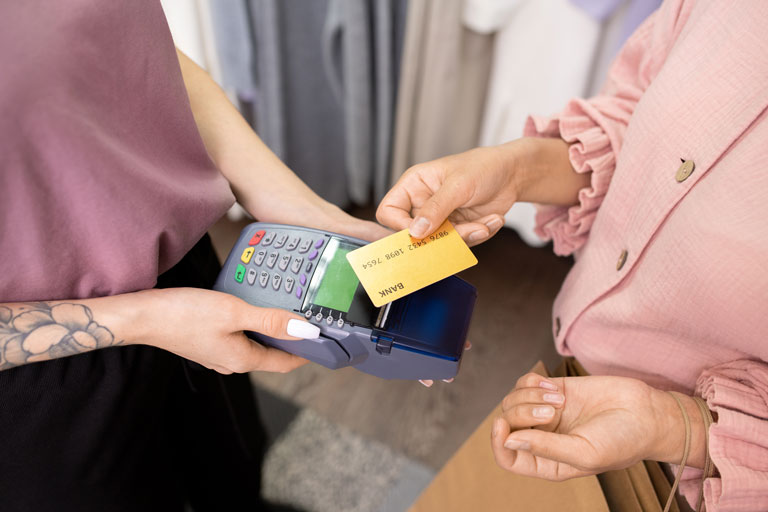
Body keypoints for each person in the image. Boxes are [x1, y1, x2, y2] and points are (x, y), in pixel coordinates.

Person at [377, 0, 768, 510]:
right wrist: (515, 168)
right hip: (573, 390)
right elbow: (635, 115)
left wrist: (674, 426)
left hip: (702, 483)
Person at [0, 3, 387, 511]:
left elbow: (138, 57)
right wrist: (145, 319)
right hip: (43, 370)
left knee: (233, 467)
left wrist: (301, 209)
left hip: (190, 276)